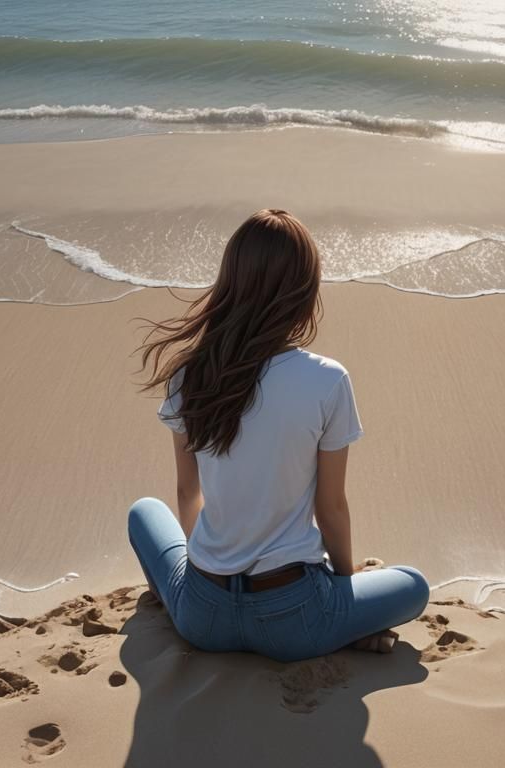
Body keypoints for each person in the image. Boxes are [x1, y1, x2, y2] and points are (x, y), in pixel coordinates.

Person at [127, 208, 429, 663]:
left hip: (203, 618)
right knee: (412, 586)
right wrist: (344, 587)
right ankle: (346, 627)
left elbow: (187, 492)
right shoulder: (326, 380)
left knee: (144, 513)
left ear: (231, 281)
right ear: (304, 290)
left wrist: (212, 571)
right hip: (294, 620)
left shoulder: (190, 375)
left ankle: (180, 599)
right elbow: (331, 509)